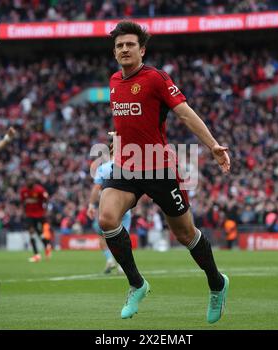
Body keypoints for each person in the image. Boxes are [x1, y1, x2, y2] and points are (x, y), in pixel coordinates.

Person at [98, 21, 230, 323]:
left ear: (141, 50)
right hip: (127, 165)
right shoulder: (113, 81)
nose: (124, 49)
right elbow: (131, 121)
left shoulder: (156, 78)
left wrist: (212, 145)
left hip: (159, 166)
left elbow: (183, 112)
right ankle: (136, 284)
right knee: (106, 218)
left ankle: (217, 283)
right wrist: (118, 139)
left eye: (130, 44)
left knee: (185, 234)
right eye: (119, 45)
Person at [87, 136, 132, 274]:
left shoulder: (103, 168)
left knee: (102, 235)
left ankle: (109, 259)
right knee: (123, 237)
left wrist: (91, 205)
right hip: (125, 207)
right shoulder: (128, 166)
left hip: (107, 207)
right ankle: (121, 266)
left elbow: (96, 188)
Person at [20, 177, 52, 262]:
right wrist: (24, 212)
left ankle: (47, 245)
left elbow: (47, 199)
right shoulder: (23, 191)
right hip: (29, 215)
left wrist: (46, 210)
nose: (28, 183)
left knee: (39, 233)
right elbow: (22, 202)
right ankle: (37, 254)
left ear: (33, 183)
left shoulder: (40, 190)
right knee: (31, 232)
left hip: (39, 215)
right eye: (27, 181)